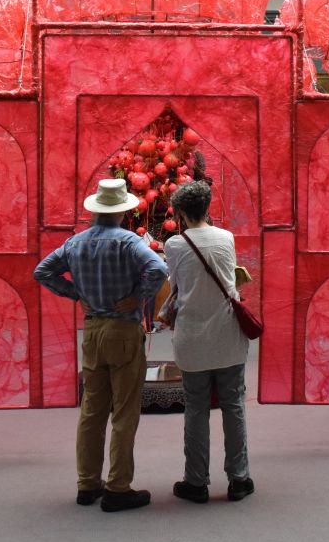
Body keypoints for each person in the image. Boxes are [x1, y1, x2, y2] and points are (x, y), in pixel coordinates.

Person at [34, 178, 168, 513]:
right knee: (124, 412)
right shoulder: (128, 242)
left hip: (92, 330)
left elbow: (42, 272)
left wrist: (75, 293)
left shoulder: (75, 243)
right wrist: (139, 296)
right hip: (123, 331)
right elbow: (158, 268)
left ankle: (87, 483)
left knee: (92, 411)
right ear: (122, 211)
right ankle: (118, 488)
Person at [162, 180, 253, 504]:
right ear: (207, 208)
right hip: (228, 334)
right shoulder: (226, 237)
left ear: (180, 213)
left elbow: (176, 284)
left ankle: (196, 481)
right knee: (233, 405)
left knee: (196, 409)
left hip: (192, 338)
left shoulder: (174, 245)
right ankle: (239, 479)